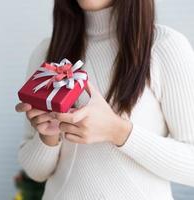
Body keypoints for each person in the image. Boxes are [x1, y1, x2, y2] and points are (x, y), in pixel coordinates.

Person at [15, 0, 194, 199]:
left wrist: (118, 132)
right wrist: (48, 136)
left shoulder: (164, 46)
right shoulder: (47, 52)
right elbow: (36, 173)